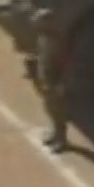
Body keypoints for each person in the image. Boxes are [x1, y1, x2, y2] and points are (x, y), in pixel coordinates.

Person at [34, 10, 71, 151]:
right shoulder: (43, 37)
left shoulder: (58, 40)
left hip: (55, 80)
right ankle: (55, 134)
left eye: (40, 21)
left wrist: (60, 82)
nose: (36, 23)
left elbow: (64, 63)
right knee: (50, 108)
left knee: (58, 111)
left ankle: (62, 140)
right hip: (46, 78)